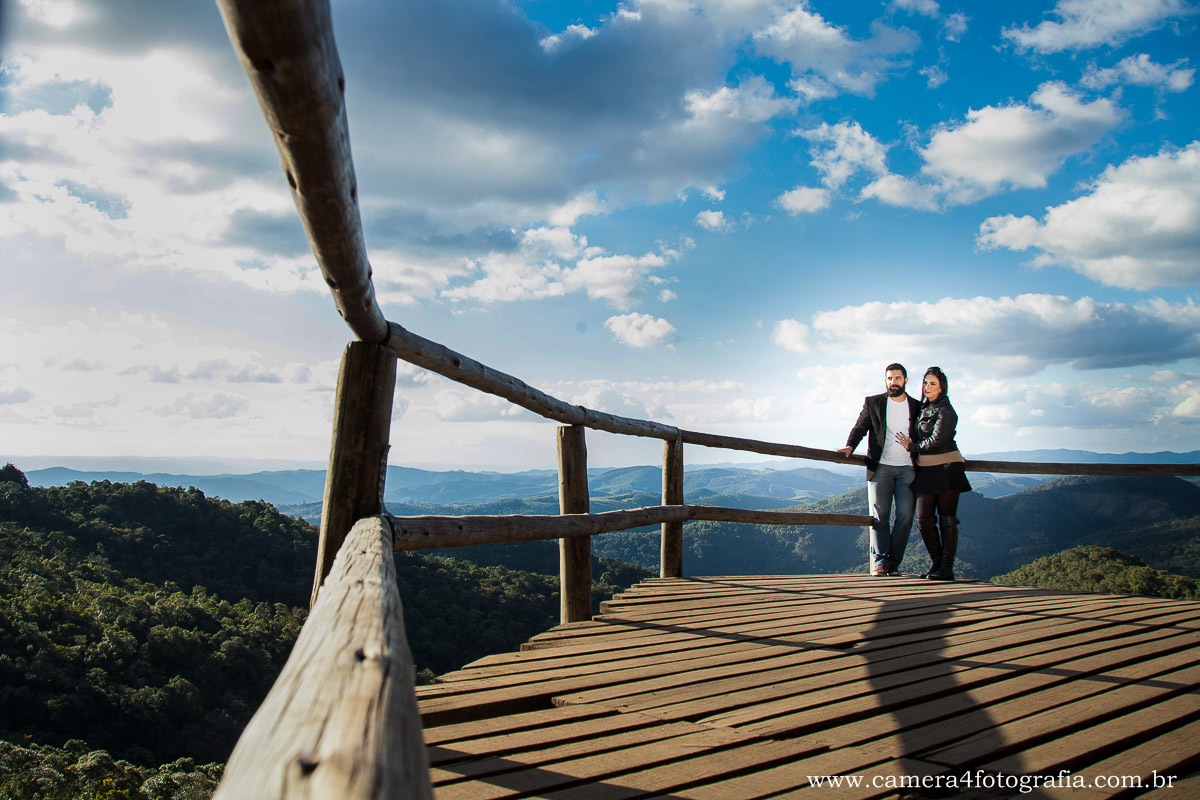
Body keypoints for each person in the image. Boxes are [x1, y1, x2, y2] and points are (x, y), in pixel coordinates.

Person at [837, 363, 922, 576]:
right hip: (880, 466)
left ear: (906, 380)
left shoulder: (917, 406)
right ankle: (881, 562)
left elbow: (926, 434)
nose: (893, 382)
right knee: (879, 516)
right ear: (886, 380)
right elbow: (860, 427)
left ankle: (894, 563)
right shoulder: (873, 402)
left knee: (905, 517)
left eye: (897, 378)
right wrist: (850, 445)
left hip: (908, 469)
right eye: (890, 378)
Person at [896, 366, 972, 581]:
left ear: (942, 388)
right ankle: (937, 564)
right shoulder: (922, 408)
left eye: (933, 384)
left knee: (947, 519)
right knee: (923, 519)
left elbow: (937, 440)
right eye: (925, 383)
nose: (927, 387)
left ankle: (946, 568)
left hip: (947, 467)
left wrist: (912, 447)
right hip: (926, 470)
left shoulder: (947, 410)